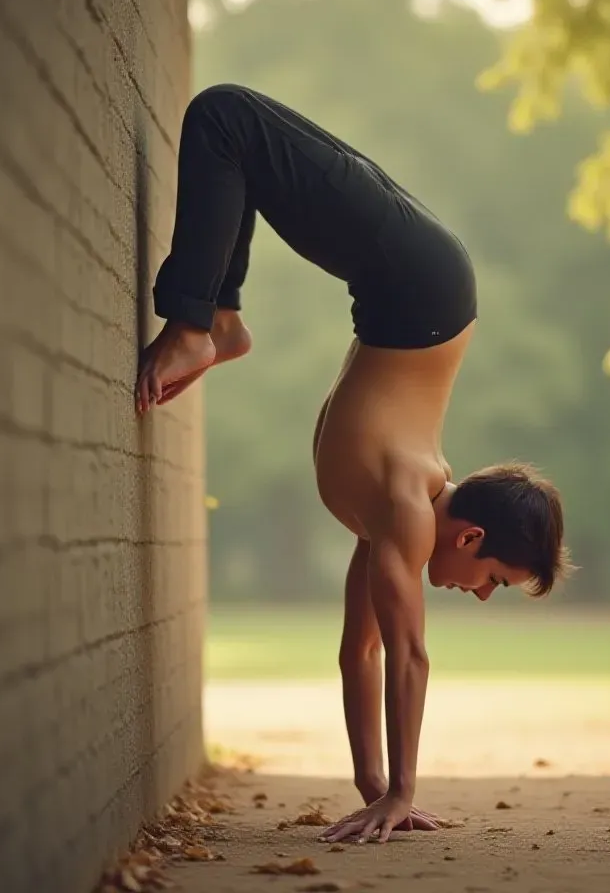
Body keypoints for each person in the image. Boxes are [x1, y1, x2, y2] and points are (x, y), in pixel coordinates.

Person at [135, 83, 571, 844]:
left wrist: (374, 786)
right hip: (421, 285)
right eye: (495, 580)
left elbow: (358, 651)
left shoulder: (388, 524)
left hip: (419, 290)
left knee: (234, 138)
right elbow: (408, 654)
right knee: (225, 118)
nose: (481, 596)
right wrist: (407, 789)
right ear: (468, 537)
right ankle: (200, 320)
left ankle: (220, 320)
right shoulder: (406, 508)